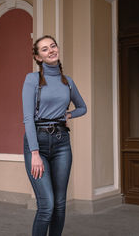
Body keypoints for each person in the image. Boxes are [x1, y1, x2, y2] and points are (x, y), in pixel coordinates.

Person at [22, 35, 87, 236]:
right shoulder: (32, 79)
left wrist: (67, 114)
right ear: (38, 57)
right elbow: (27, 119)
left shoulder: (68, 82)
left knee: (60, 204)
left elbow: (82, 108)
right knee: (47, 205)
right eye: (44, 49)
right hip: (38, 143)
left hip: (62, 143)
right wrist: (34, 153)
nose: (51, 50)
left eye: (53, 46)